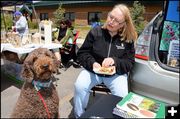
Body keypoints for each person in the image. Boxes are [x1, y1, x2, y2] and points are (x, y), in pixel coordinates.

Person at [73, 4, 137, 118]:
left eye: (116, 20)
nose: (111, 21)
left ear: (122, 25)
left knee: (122, 95)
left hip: (115, 74)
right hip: (93, 71)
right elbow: (82, 53)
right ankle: (80, 115)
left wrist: (115, 61)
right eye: (110, 16)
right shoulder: (95, 32)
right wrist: (92, 63)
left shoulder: (128, 39)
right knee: (79, 85)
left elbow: (129, 63)